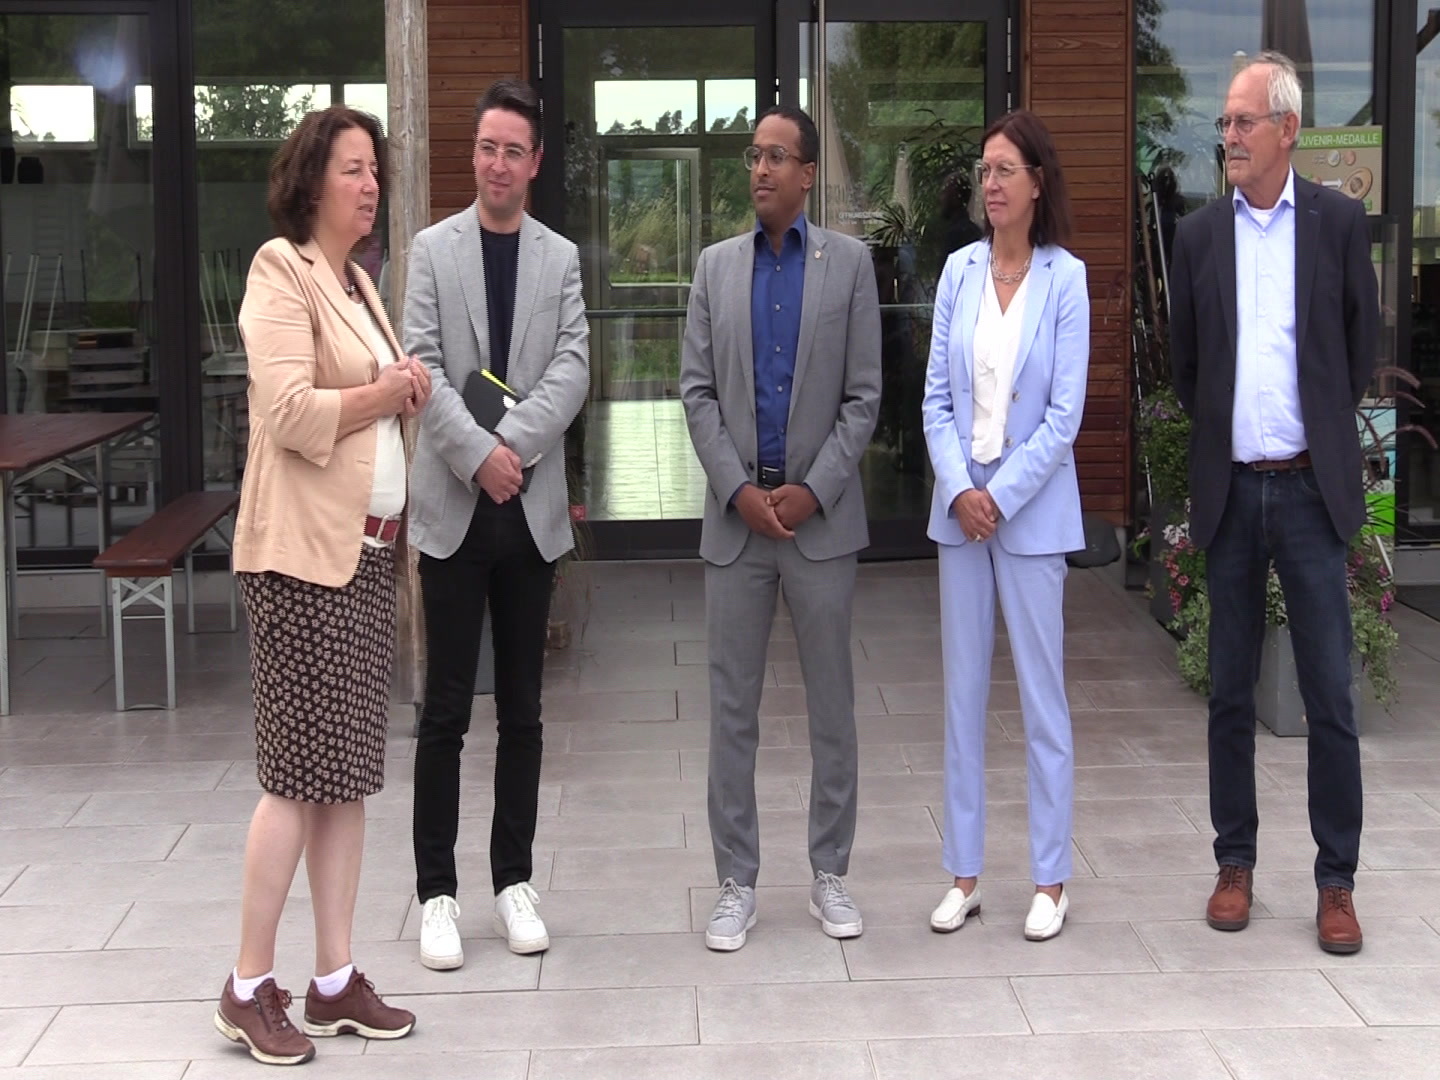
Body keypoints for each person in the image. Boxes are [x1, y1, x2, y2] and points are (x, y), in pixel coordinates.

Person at [216, 105, 429, 1066]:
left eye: (375, 169)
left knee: (345, 779)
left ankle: (334, 980)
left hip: (366, 558)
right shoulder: (282, 270)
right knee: (296, 780)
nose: (370, 184)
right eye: (352, 169)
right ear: (310, 184)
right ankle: (247, 985)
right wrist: (385, 393)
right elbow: (292, 413)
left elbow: (362, 408)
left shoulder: (357, 282)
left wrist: (404, 388)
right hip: (302, 563)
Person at [1169, 51, 1377, 954]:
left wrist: (1311, 439)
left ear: (1288, 130)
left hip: (1308, 493)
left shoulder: (1338, 224)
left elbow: (1357, 353)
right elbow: (1187, 368)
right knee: (1229, 694)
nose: (1230, 136)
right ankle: (1234, 864)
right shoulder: (1199, 236)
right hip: (1232, 492)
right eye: (1224, 122)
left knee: (1329, 693)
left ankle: (1337, 882)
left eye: (1243, 121)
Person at [679, 105, 882, 952]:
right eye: (753, 155)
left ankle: (830, 872)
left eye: (776, 156)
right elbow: (695, 392)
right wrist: (737, 489)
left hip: (819, 526)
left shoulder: (850, 265)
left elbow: (864, 396)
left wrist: (812, 490)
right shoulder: (714, 268)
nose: (760, 169)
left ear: (807, 174)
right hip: (738, 528)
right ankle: (736, 881)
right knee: (733, 711)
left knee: (832, 706)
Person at [406, 79, 589, 969]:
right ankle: (435, 894)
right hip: (453, 511)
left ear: (536, 161)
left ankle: (513, 880)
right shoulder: (431, 250)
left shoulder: (561, 257)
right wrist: (477, 455)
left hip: (529, 517)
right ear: (472, 153)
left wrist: (510, 447)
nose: (499, 164)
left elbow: (574, 366)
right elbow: (421, 368)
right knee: (445, 711)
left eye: (514, 150)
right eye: (487, 147)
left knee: (524, 711)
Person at [921, 109, 1088, 942]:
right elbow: (934, 399)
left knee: (1041, 700)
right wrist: (961, 490)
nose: (990, 184)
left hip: (1029, 517)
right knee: (962, 700)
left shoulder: (1067, 279)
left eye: (1004, 170)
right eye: (984, 170)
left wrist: (1001, 497)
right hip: (961, 518)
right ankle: (964, 875)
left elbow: (1064, 416)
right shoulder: (958, 272)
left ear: (1037, 183)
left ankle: (1051, 880)